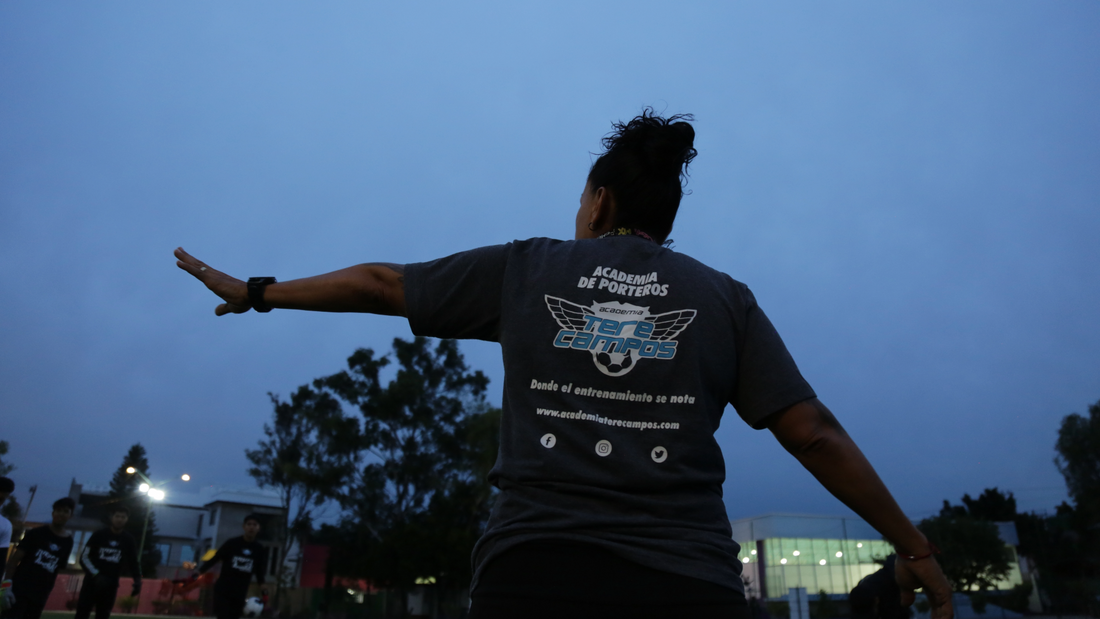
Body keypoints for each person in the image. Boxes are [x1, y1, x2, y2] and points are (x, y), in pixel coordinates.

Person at [175, 109, 954, 619]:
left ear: (602, 201)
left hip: (531, 577)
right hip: (688, 585)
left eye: (582, 200)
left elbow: (385, 284)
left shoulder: (527, 269)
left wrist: (258, 291)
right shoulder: (724, 300)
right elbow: (811, 430)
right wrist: (912, 545)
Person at [1, 498, 75, 619]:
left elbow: (58, 568)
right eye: (58, 510)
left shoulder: (68, 541)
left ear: (70, 516)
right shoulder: (36, 533)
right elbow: (14, 560)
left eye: (66, 511)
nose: (61, 514)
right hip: (20, 589)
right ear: (53, 513)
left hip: (40, 594)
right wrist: (6, 585)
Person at [75, 506, 142, 619]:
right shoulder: (99, 535)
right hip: (91, 584)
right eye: (117, 516)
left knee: (103, 615)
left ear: (127, 520)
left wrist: (138, 580)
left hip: (111, 586)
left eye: (123, 517)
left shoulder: (128, 539)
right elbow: (84, 557)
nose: (120, 519)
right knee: (82, 614)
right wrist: (96, 575)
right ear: (112, 518)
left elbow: (133, 562)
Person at [198, 514, 267, 619]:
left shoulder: (259, 549)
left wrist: (264, 591)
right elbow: (215, 558)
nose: (251, 527)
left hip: (240, 591)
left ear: (259, 528)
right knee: (223, 616)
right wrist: (199, 572)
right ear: (244, 527)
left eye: (255, 525)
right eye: (249, 524)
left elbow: (259, 571)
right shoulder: (232, 543)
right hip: (224, 589)